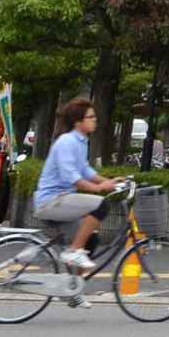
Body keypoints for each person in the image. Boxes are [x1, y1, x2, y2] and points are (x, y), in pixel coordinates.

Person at [32, 98, 121, 285]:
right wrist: (98, 188)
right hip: (51, 200)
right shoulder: (67, 142)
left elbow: (85, 170)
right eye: (91, 117)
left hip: (63, 200)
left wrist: (108, 182)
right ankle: (74, 251)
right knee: (101, 205)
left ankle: (74, 288)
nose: (95, 120)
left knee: (91, 239)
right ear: (77, 121)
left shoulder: (81, 141)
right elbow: (70, 176)